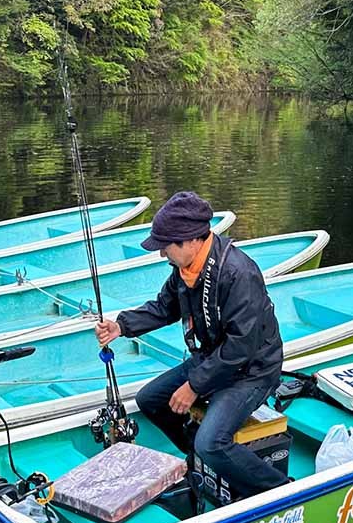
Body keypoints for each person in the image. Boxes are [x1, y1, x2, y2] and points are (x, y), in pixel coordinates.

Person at [95, 191, 288, 498]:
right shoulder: (185, 269)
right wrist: (122, 325)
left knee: (212, 442)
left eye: (165, 247)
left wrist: (194, 386)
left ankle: (279, 490)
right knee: (150, 400)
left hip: (252, 371)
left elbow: (241, 347)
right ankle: (200, 459)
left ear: (190, 241)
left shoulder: (239, 273)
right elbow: (164, 307)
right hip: (212, 360)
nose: (161, 254)